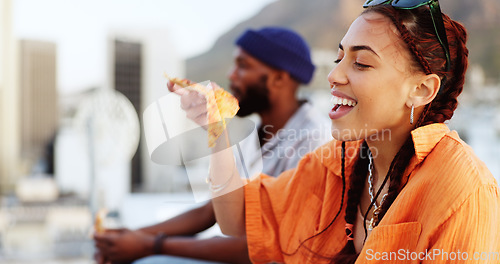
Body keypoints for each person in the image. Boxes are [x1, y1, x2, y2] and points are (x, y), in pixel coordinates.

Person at [176, 1, 500, 263]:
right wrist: (218, 131)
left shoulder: (463, 191)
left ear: (420, 89)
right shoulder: (337, 162)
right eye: (339, 57)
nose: (333, 75)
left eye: (361, 63)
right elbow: (239, 221)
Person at [94, 27, 331, 264]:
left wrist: (149, 246)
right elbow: (214, 210)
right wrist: (130, 237)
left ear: (279, 78)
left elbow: (257, 245)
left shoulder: (314, 140)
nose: (231, 74)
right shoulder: (255, 133)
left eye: (243, 65)